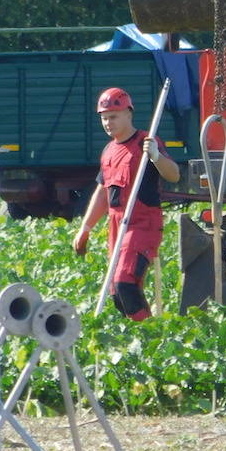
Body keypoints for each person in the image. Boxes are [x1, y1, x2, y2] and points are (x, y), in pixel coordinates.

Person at [72, 87, 180, 320]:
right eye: (104, 118)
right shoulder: (108, 151)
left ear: (128, 114)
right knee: (116, 294)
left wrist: (156, 156)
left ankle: (150, 334)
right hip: (116, 224)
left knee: (125, 283)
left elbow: (174, 175)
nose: (108, 122)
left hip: (142, 223)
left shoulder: (146, 142)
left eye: (113, 116)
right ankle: (137, 333)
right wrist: (86, 228)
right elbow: (103, 192)